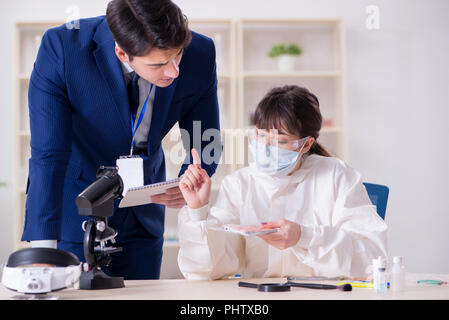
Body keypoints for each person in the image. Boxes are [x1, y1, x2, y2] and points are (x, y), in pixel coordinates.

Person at [22, 0, 221, 280]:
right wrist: (42, 251)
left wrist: (194, 173)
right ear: (121, 52)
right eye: (160, 64)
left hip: (144, 214)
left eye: (177, 56)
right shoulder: (63, 48)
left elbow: (205, 136)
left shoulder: (200, 52)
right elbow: (48, 154)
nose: (174, 71)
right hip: (76, 212)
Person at [177, 85, 387, 280]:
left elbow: (372, 257)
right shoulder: (239, 184)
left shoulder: (336, 175)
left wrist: (303, 237)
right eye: (260, 136)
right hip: (261, 298)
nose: (266, 147)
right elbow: (207, 271)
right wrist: (198, 211)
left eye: (280, 141)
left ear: (306, 145)